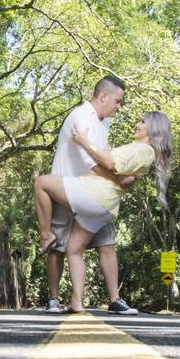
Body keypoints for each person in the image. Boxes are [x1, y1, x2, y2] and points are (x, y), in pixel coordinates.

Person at [34, 111, 173, 313]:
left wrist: (83, 141)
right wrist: (103, 140)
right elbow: (121, 174)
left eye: (142, 122)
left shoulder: (144, 150)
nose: (137, 123)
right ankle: (77, 302)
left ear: (153, 129)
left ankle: (46, 234)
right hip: (105, 206)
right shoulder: (141, 150)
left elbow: (109, 165)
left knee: (41, 183)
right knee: (74, 249)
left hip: (94, 195)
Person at [44, 76, 139, 316]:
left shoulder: (104, 123)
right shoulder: (80, 117)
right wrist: (118, 180)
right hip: (66, 187)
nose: (119, 106)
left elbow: (105, 156)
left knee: (107, 243)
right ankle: (53, 299)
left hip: (95, 192)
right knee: (59, 246)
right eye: (118, 101)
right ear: (103, 96)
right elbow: (91, 163)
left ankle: (115, 299)